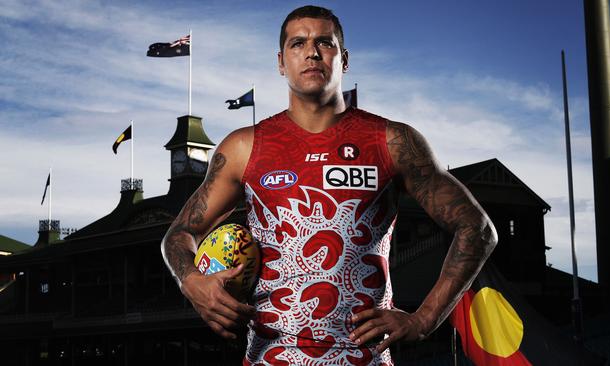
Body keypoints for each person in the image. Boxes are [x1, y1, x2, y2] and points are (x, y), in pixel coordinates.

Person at [161, 5, 497, 365]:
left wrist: (424, 319)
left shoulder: (393, 141)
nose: (311, 51)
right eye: (297, 43)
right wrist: (192, 282)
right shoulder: (243, 147)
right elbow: (179, 233)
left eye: (325, 42)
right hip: (270, 357)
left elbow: (476, 228)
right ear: (280, 61)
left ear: (344, 58)